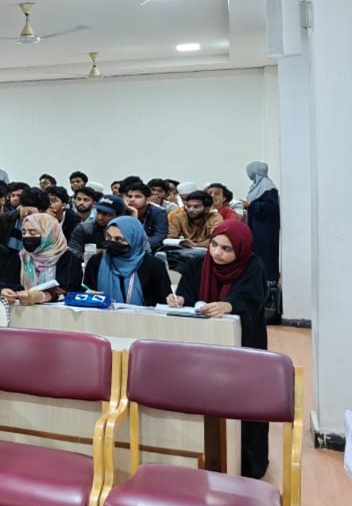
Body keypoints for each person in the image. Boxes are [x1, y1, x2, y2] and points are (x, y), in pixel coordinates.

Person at [166, 221, 269, 478]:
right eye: (214, 245)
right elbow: (187, 295)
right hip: (203, 346)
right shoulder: (197, 265)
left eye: (226, 249)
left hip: (244, 343)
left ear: (240, 250)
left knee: (245, 401)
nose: (217, 253)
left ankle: (248, 465)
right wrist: (179, 300)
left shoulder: (253, 266)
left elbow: (252, 298)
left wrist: (228, 305)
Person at [83, 216, 171, 307]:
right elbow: (86, 293)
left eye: (118, 239)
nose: (112, 243)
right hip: (101, 314)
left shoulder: (154, 266)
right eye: (108, 237)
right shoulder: (96, 262)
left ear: (133, 239)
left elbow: (165, 301)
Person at [1, 212, 82, 305]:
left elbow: (65, 288)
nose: (27, 236)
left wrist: (41, 296)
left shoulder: (68, 259)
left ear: (49, 233)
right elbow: (5, 281)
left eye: (32, 232)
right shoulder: (21, 257)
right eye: (23, 232)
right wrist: (5, 290)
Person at [244, 161, 281, 283]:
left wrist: (251, 205)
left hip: (265, 229)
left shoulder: (267, 186)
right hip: (256, 226)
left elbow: (271, 206)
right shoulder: (256, 186)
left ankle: (269, 281)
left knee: (266, 253)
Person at [69, 192, 124, 260]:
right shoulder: (84, 228)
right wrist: (89, 256)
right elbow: (72, 252)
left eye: (106, 214)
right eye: (98, 211)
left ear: (119, 215)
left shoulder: (125, 232)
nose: (100, 217)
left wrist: (104, 253)